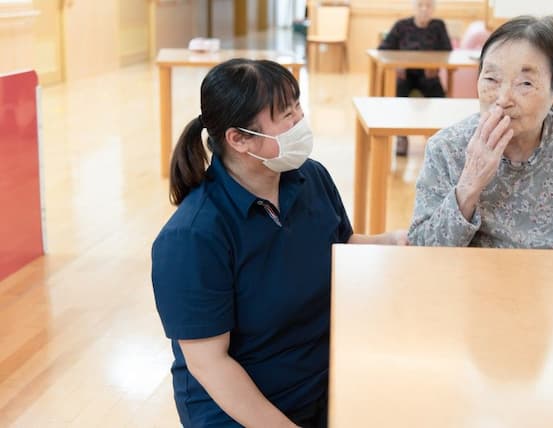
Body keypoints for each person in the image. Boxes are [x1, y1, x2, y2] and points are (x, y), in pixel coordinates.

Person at [151, 58, 407, 428]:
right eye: (285, 115)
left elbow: (339, 243)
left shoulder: (309, 177)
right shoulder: (192, 237)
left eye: (298, 107)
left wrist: (394, 243)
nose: (299, 122)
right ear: (238, 139)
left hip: (320, 382)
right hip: (241, 411)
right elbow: (210, 363)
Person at [408, 15, 553, 250]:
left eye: (525, 84)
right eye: (491, 78)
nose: (503, 99)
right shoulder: (447, 149)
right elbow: (422, 248)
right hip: (484, 282)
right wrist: (469, 184)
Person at [378, 0, 452, 155]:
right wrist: (397, 64)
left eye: (428, 6)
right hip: (405, 75)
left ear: (433, 9)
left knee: (439, 96)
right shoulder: (401, 25)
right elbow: (383, 49)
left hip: (428, 74)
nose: (424, 9)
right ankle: (401, 137)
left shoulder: (438, 26)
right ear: (414, 7)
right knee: (399, 91)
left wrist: (435, 66)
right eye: (420, 5)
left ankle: (439, 139)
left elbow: (447, 51)